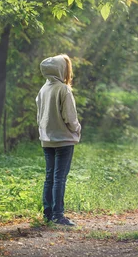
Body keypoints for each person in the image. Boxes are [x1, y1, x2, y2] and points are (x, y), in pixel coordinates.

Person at [36, 54, 81, 226]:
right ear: (61, 69)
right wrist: (77, 129)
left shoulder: (43, 89)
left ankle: (48, 214)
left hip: (47, 140)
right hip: (63, 140)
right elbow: (70, 117)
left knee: (50, 177)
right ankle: (58, 215)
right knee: (59, 177)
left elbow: (39, 116)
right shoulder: (63, 89)